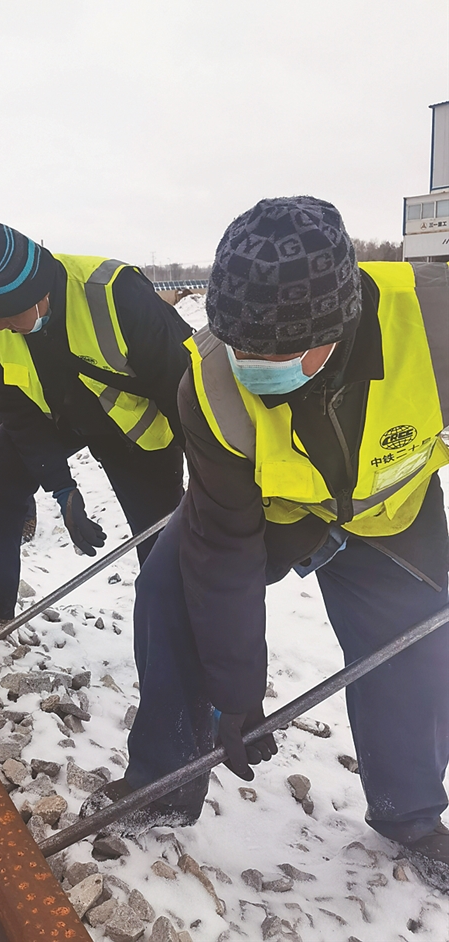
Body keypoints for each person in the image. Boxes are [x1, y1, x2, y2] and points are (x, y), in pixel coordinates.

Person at [83, 197, 449, 888]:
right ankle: (164, 783)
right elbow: (220, 551)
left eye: (275, 352)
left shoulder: (436, 319)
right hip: (271, 510)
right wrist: (237, 693)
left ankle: (411, 814)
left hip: (390, 511)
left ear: (337, 327)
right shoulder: (212, 379)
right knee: (169, 592)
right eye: (240, 344)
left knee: (413, 655)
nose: (252, 364)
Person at [0, 217, 195, 633]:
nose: (0, 325)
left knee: (164, 540)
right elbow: (15, 408)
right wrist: (61, 487)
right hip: (57, 414)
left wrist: (209, 478)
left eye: (8, 314)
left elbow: (185, 392)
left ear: (40, 293)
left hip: (135, 430)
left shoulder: (114, 293)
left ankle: (179, 637)